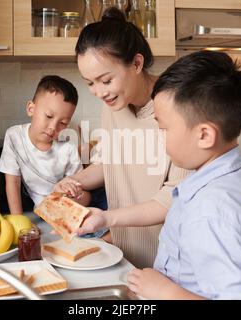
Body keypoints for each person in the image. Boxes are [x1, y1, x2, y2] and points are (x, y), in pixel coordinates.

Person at [77, 51, 241, 300]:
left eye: (164, 128)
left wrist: (164, 290)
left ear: (205, 135)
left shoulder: (210, 210)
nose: (159, 136)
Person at [54, 7, 188, 268]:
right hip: (126, 252)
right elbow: (110, 163)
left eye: (105, 80)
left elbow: (174, 197)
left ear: (137, 64)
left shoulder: (177, 105)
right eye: (90, 83)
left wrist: (108, 218)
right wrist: (73, 182)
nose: (99, 92)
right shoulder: (113, 106)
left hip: (169, 257)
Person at [0, 75, 91, 214]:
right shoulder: (14, 136)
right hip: (42, 208)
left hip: (63, 203)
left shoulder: (68, 147)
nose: (53, 127)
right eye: (48, 116)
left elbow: (79, 185)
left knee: (86, 196)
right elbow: (13, 182)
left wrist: (71, 194)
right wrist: (18, 221)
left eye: (63, 123)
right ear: (31, 108)